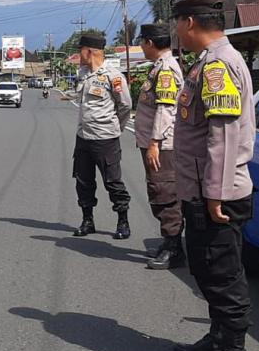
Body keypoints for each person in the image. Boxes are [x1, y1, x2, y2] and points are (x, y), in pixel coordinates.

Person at [171, 0, 256, 351]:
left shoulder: (219, 66)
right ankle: (219, 337)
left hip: (215, 194)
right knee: (206, 268)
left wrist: (215, 193)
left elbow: (222, 135)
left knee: (223, 274)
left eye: (176, 23)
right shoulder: (209, 63)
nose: (176, 31)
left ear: (189, 22)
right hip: (204, 189)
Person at [72, 32, 133, 239]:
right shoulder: (83, 74)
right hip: (83, 137)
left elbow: (125, 106)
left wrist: (115, 127)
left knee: (112, 181)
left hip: (105, 138)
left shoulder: (113, 76)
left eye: (80, 50)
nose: (78, 55)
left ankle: (122, 221)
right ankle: (87, 220)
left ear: (89, 52)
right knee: (83, 180)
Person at [134, 24, 185, 270]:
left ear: (150, 43)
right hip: (155, 143)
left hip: (162, 146)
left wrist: (155, 142)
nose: (142, 47)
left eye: (142, 42)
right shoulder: (158, 67)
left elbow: (166, 109)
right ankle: (168, 241)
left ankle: (174, 248)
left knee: (164, 192)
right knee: (158, 190)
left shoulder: (165, 69)